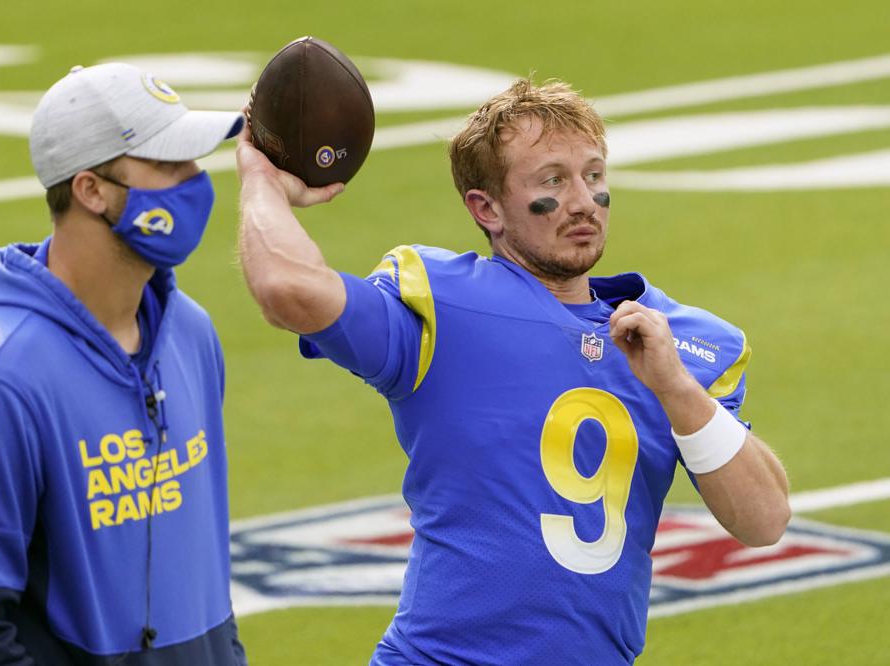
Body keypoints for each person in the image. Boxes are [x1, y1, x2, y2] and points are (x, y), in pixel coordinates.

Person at [236, 78, 791, 665]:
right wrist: (261, 181)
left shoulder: (687, 341)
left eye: (594, 175)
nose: (582, 201)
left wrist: (676, 388)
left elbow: (764, 521)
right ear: (487, 208)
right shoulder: (441, 305)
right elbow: (285, 289)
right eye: (553, 180)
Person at [0, 63, 248, 664]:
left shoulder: (191, 335)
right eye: (167, 165)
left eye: (194, 162)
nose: (195, 183)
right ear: (91, 190)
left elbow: (205, 578)